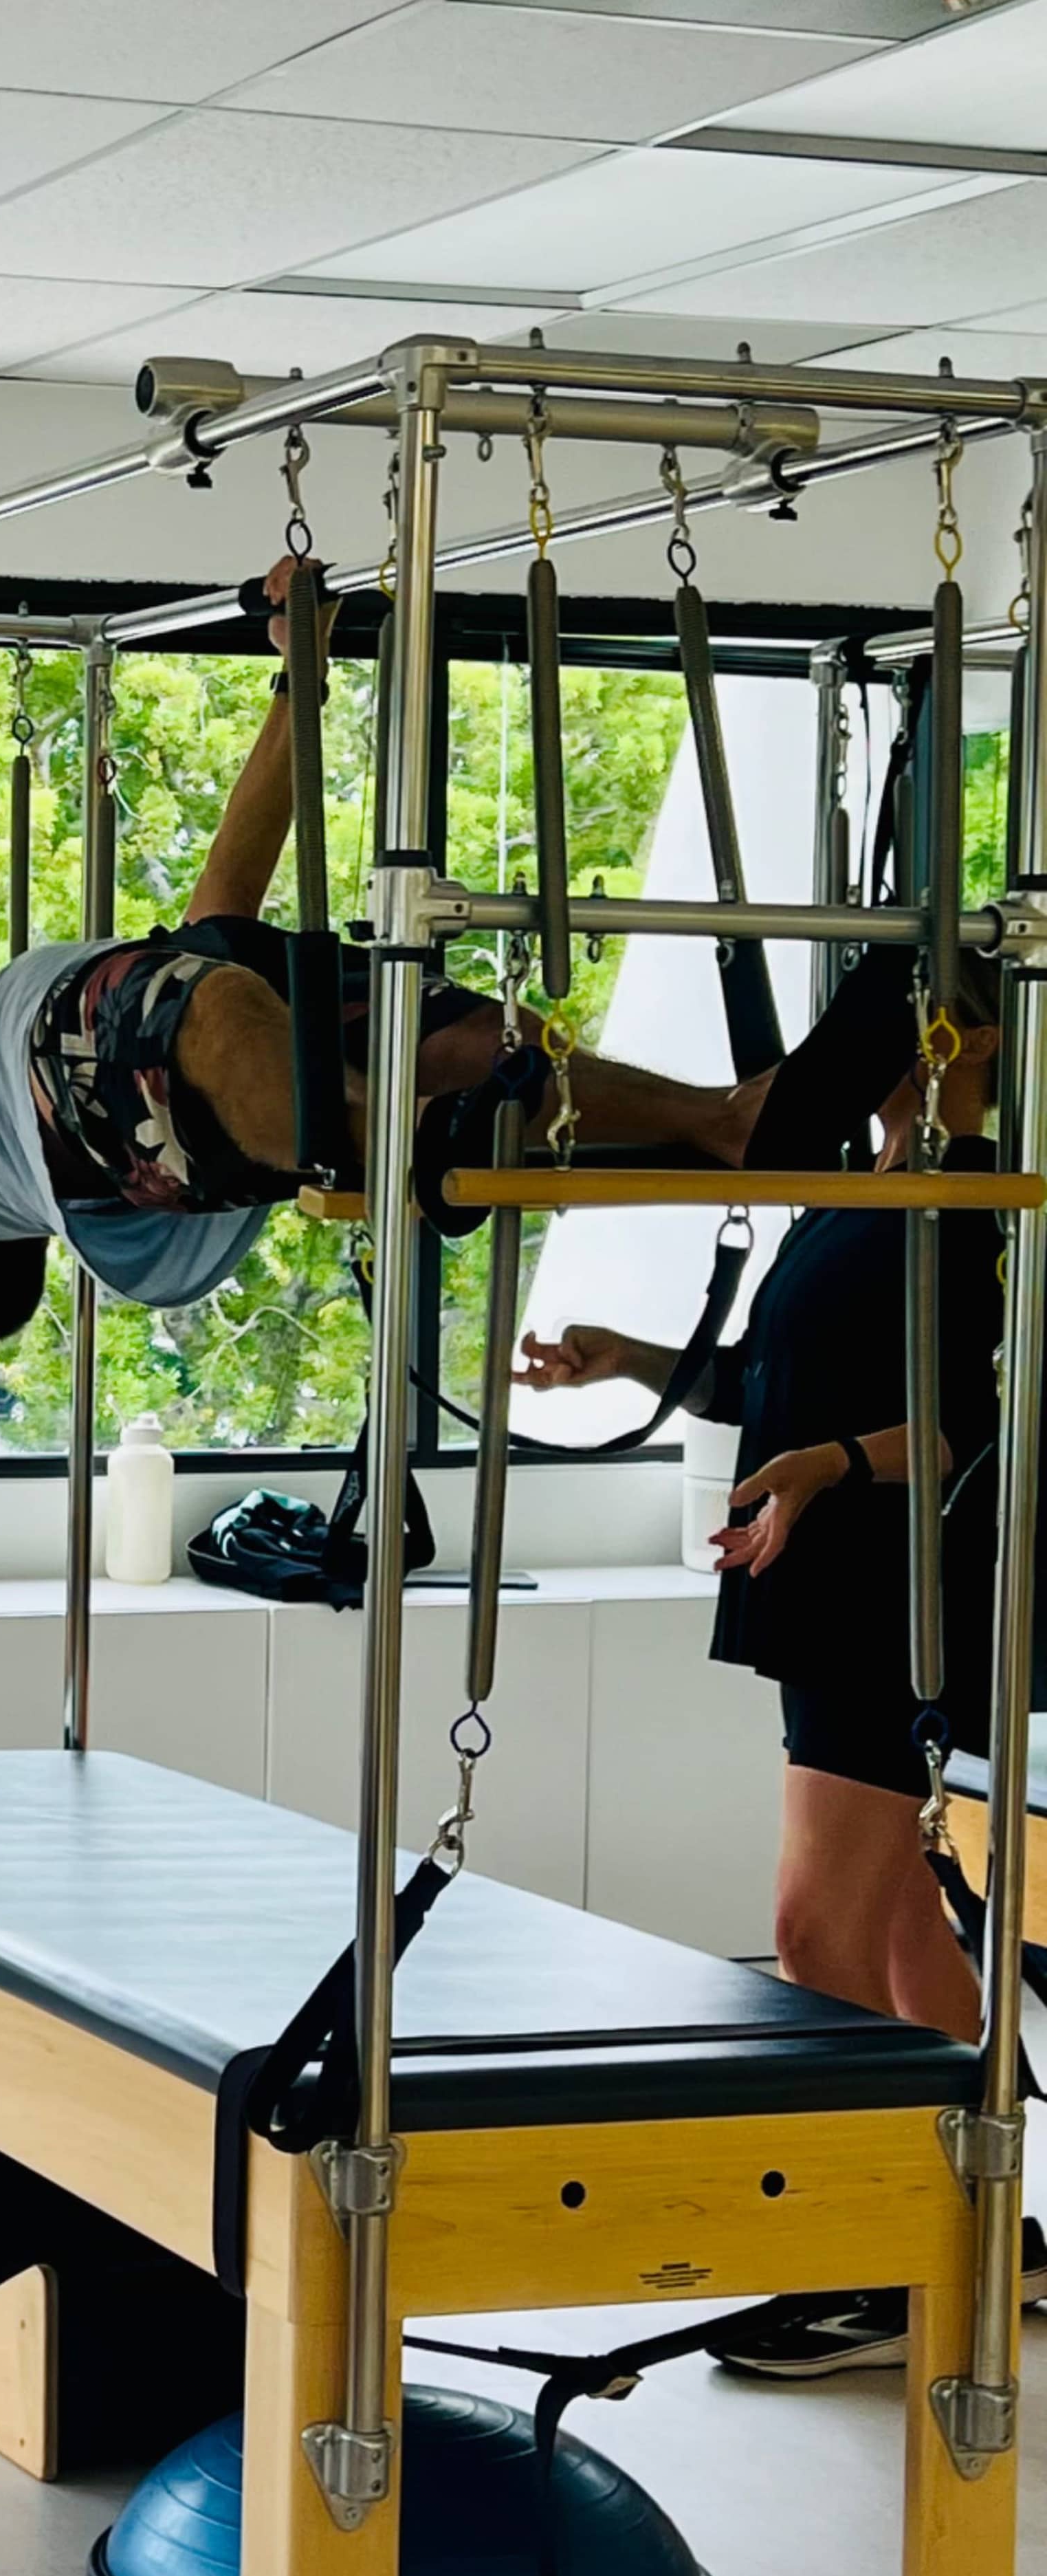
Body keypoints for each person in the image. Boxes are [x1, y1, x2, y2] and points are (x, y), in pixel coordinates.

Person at [0, 527, 799, 1341]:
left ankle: (695, 1119)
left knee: (319, 1015)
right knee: (216, 1010)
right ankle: (430, 1128)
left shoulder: (97, 1187)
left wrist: (303, 669)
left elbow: (228, 904)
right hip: (81, 1072)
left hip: (205, 1151)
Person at [520, 961, 1045, 2375]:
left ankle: (880, 2271)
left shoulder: (984, 1203)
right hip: (822, 1589)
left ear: (976, 1040)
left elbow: (971, 1427)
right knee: (895, 1940)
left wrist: (825, 1465)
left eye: (913, 1018)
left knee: (814, 1936)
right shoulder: (861, 1189)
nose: (871, 1047)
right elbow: (772, 1377)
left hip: (903, 1596)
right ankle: (993, 2222)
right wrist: (620, 1357)